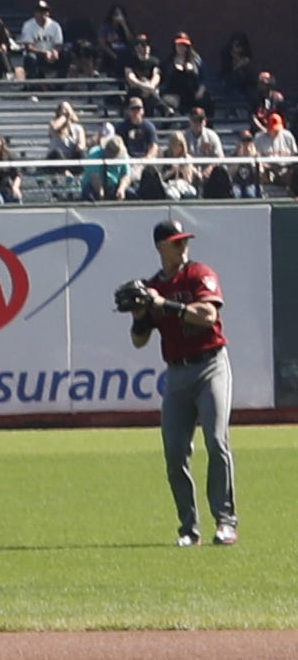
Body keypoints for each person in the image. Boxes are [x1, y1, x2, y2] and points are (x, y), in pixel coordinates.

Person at [129, 213, 237, 547]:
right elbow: (139, 340)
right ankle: (189, 528)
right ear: (161, 247)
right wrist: (140, 315)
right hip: (176, 373)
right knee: (175, 452)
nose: (184, 246)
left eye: (185, 241)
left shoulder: (199, 274)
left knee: (217, 441)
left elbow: (208, 316)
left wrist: (165, 305)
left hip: (211, 366)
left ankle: (226, 522)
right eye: (177, 242)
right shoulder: (153, 287)